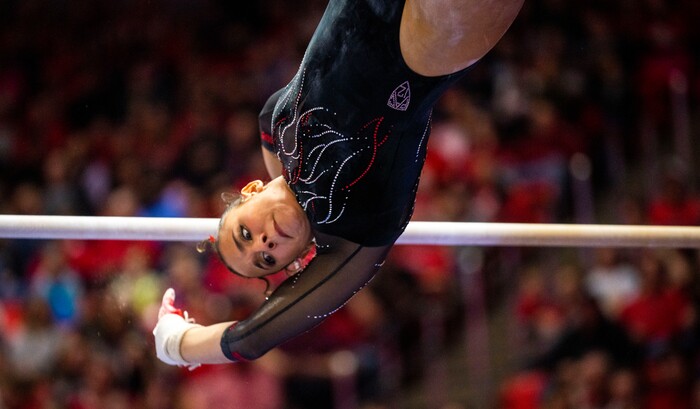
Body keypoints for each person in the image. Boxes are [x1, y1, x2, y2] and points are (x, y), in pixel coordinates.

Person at [153, 0, 524, 368]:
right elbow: (250, 339)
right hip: (425, 40)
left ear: (252, 189)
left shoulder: (279, 127)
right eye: (267, 260)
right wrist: (175, 343)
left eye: (245, 234)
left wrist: (278, 183)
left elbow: (269, 130)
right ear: (299, 260)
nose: (263, 243)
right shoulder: (349, 241)